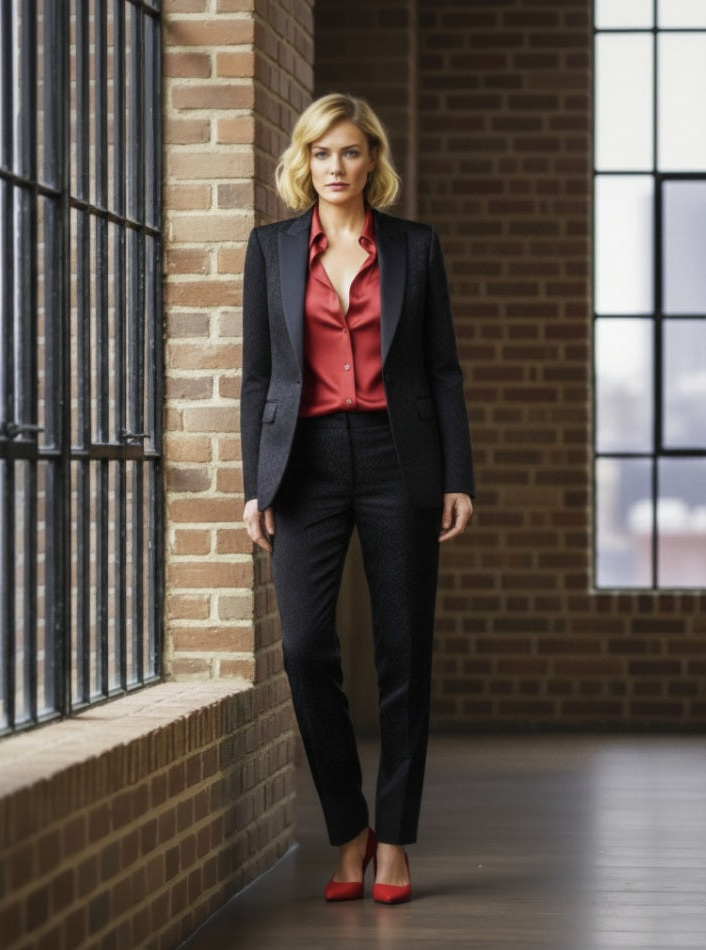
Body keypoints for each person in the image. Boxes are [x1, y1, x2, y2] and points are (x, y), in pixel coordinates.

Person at [240, 93, 475, 905]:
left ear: (373, 160)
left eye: (349, 152)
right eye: (320, 154)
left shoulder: (416, 248)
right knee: (305, 650)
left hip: (396, 458)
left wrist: (457, 477)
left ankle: (397, 840)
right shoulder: (270, 250)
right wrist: (254, 485)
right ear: (303, 163)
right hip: (302, 463)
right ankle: (350, 831)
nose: (334, 168)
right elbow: (259, 378)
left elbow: (442, 370)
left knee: (404, 651)